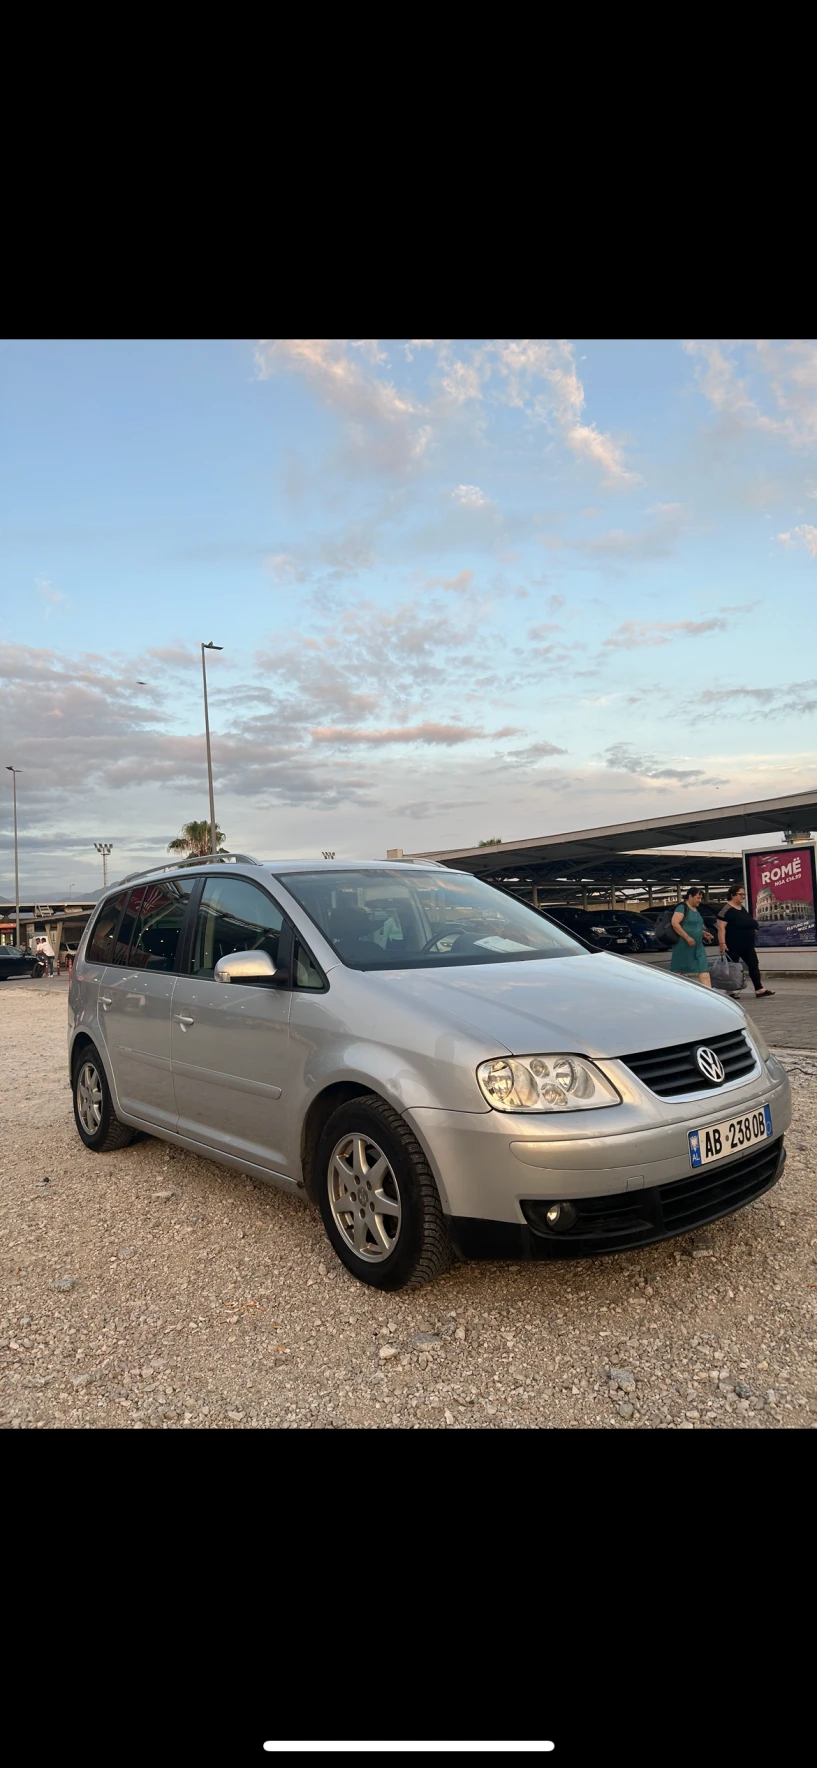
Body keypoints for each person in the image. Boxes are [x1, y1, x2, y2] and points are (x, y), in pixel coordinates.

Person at [717, 882, 774, 998]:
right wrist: (722, 943)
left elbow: (746, 921)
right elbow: (721, 928)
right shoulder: (726, 910)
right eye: (740, 894)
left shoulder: (741, 908)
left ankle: (759, 989)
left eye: (744, 894)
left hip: (747, 944)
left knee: (754, 964)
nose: (743, 896)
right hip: (733, 944)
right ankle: (730, 991)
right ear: (732, 895)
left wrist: (753, 927)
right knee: (732, 967)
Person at [670, 885, 714, 986]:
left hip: (697, 946)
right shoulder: (682, 907)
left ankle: (709, 994)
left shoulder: (695, 910)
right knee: (678, 971)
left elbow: (694, 925)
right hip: (683, 945)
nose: (700, 900)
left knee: (703, 969)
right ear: (690, 896)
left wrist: (703, 934)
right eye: (698, 898)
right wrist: (687, 937)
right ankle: (672, 991)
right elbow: (675, 923)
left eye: (701, 898)